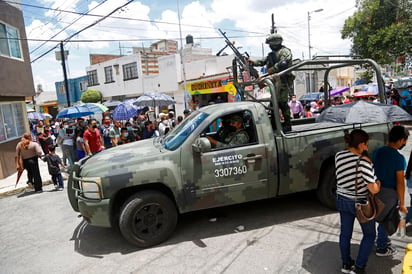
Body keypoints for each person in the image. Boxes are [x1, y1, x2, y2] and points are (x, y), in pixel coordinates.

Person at [335, 129, 381, 274]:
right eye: (366, 144)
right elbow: (373, 189)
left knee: (345, 234)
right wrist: (378, 183)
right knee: (369, 235)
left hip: (342, 200)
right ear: (361, 144)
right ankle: (359, 268)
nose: (367, 147)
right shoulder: (363, 163)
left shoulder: (339, 155)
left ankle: (346, 264)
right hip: (360, 203)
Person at [372, 125, 409, 256]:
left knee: (377, 215)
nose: (405, 143)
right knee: (385, 219)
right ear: (400, 140)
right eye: (405, 140)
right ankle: (381, 247)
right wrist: (403, 203)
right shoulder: (398, 158)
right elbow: (400, 182)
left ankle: (378, 241)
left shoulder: (378, 150)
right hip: (389, 193)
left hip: (375, 189)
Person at [248, 33, 293, 132]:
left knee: (282, 103)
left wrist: (271, 70)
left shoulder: (285, 51)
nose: (269, 46)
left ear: (276, 43)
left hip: (283, 80)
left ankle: (287, 124)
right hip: (274, 81)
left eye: (270, 44)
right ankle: (274, 124)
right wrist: (252, 62)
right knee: (273, 104)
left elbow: (283, 63)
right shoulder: (271, 54)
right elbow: (263, 61)